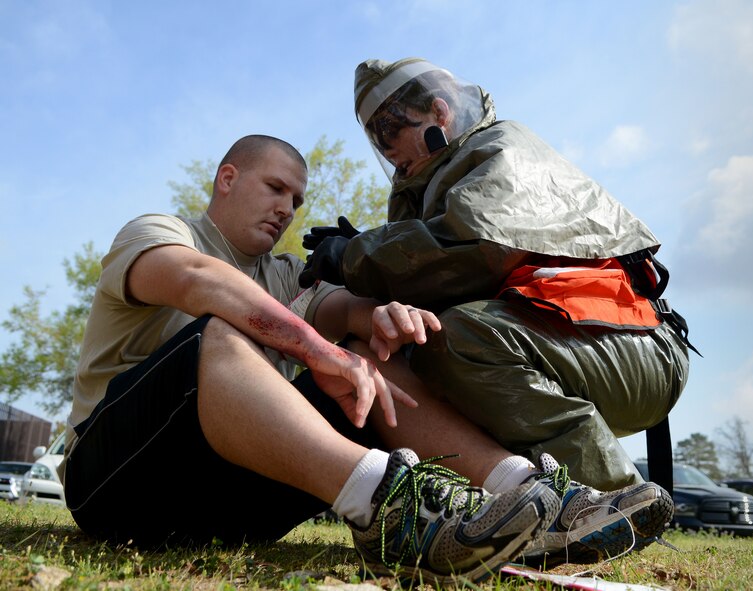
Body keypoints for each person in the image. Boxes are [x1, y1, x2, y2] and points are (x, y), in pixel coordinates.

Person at [61, 134, 672, 582]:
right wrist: (315, 348)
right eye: (274, 188)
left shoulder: (281, 274)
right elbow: (199, 282)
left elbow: (344, 310)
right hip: (116, 484)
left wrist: (381, 317)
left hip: (227, 504)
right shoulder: (158, 233)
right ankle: (399, 510)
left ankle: (532, 501)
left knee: (369, 357)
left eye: (296, 201)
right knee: (223, 333)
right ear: (227, 178)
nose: (286, 209)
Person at [299, 58, 694, 493]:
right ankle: (502, 501)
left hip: (633, 344)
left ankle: (612, 502)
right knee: (407, 345)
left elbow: (471, 247)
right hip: (576, 338)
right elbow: (440, 259)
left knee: (456, 337)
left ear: (439, 113)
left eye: (393, 132)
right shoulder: (439, 181)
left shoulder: (502, 146)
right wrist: (371, 255)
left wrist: (355, 256)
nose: (390, 154)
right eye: (378, 139)